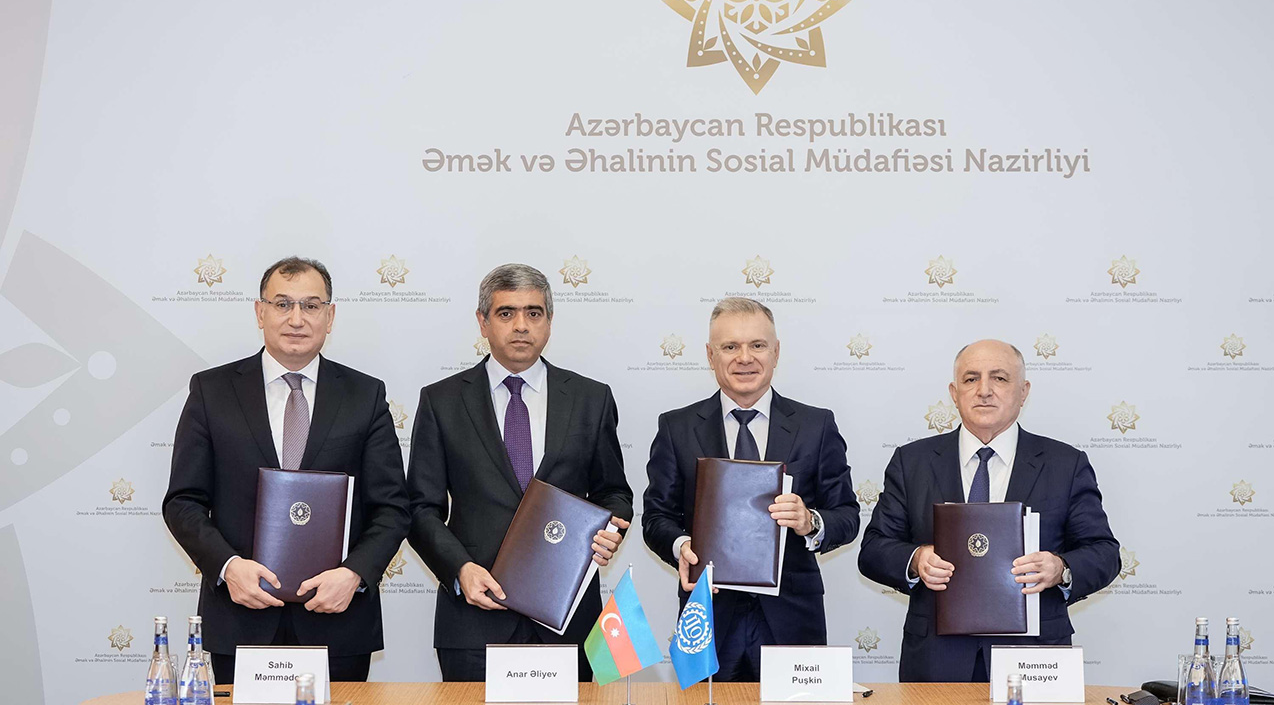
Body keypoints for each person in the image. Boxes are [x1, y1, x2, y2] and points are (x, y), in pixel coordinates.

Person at [163, 256, 409, 683]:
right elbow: (183, 502)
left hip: (338, 621)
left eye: (311, 305)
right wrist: (228, 567)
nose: (297, 318)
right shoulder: (211, 390)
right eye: (282, 304)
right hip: (239, 619)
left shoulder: (365, 395)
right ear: (260, 312)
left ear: (330, 316)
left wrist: (353, 574)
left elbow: (392, 508)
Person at [406, 263, 633, 682]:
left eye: (534, 313)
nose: (521, 325)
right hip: (474, 619)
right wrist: (460, 569)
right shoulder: (442, 401)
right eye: (506, 313)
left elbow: (614, 493)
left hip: (569, 621)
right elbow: (420, 509)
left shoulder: (591, 398)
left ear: (549, 321)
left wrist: (610, 531)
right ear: (483, 322)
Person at [858, 339, 1120, 682]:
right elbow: (873, 550)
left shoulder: (1065, 464)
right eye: (971, 379)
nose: (984, 390)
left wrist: (1060, 568)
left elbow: (1104, 553)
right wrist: (917, 559)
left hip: (1034, 661)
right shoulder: (912, 462)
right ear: (954, 393)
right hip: (936, 660)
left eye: (999, 378)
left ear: (1023, 392)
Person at [642, 297, 860, 682]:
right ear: (710, 355)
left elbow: (847, 515)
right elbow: (657, 517)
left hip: (793, 618)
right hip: (708, 615)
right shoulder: (677, 428)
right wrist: (682, 546)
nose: (745, 358)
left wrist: (810, 521)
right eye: (730, 346)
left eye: (757, 345)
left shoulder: (816, 425)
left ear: (776, 352)